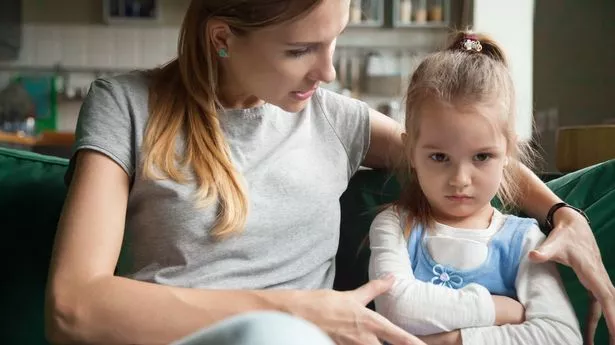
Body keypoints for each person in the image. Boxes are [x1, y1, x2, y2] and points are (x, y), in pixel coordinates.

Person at [43, 0, 613, 344]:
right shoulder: (127, 106)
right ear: (222, 38)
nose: (329, 69)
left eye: (334, 39)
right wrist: (297, 311)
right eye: (300, 49)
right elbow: (73, 308)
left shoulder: (334, 119)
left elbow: (465, 151)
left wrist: (563, 214)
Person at [368, 32, 584, 345]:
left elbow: (561, 336)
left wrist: (453, 340)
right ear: (411, 152)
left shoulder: (524, 240)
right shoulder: (395, 224)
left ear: (508, 152)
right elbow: (398, 307)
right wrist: (498, 310)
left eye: (482, 156)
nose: (460, 179)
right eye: (439, 157)